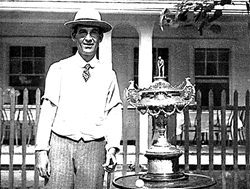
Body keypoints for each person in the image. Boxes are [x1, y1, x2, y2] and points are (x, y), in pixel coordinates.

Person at [35, 7, 122, 189]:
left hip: (94, 146)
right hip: (60, 145)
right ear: (74, 36)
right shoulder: (59, 69)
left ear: (100, 38)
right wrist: (42, 151)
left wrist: (112, 148)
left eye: (94, 33)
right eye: (83, 32)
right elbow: (48, 110)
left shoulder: (108, 75)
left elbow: (113, 114)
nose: (88, 38)